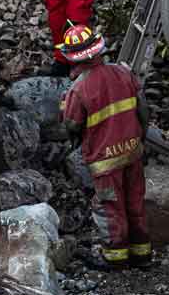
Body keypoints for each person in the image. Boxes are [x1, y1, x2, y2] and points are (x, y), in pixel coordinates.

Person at [59, 24, 151, 270]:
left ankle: (115, 256)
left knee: (111, 207)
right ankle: (142, 253)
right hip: (132, 152)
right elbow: (143, 109)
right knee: (135, 201)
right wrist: (141, 137)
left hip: (104, 161)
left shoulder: (78, 89)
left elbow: (72, 125)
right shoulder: (122, 72)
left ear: (71, 57)